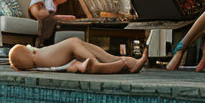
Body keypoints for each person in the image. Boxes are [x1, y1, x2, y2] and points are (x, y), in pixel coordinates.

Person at [8, 37, 148, 74]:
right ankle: (98, 64)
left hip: (47, 58)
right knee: (72, 43)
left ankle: (128, 62)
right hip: (44, 58)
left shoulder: (37, 55)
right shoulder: (35, 56)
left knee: (81, 44)